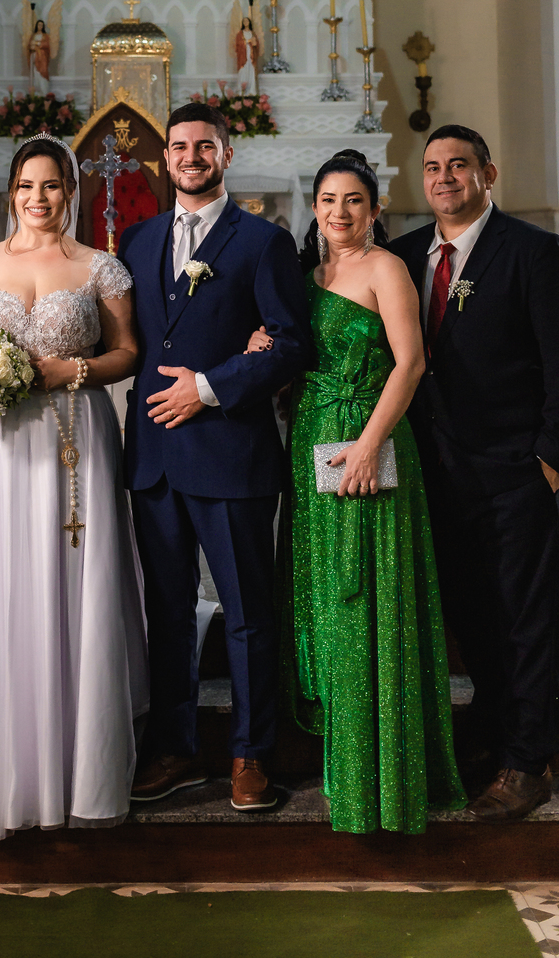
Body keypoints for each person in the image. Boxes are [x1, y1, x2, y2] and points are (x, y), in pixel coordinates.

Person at [0, 135, 147, 840]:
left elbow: (127, 352)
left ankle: (79, 761)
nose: (38, 200)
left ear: (70, 192)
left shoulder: (100, 268)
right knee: (0, 585)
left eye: (51, 186)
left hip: (72, 439)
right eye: (26, 187)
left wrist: (70, 373)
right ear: (10, 192)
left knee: (71, 585)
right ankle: (2, 758)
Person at [389, 125, 559, 823]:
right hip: (437, 476)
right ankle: (494, 735)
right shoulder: (406, 254)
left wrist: (548, 464)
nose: (444, 177)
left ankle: (529, 760)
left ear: (488, 173)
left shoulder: (534, 253)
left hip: (514, 474)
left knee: (524, 620)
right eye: (433, 167)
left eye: (459, 166)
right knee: (471, 618)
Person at [119, 103, 313, 813]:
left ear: (226, 155)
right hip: (155, 463)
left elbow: (292, 344)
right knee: (164, 614)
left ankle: (250, 755)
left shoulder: (263, 241)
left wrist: (210, 386)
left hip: (230, 456)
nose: (191, 156)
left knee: (245, 615)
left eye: (204, 146)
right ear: (163, 158)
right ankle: (174, 749)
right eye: (178, 147)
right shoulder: (135, 242)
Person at [264, 151, 465, 834]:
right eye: (327, 200)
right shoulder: (306, 274)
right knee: (329, 605)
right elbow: (294, 355)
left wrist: (371, 444)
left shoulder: (386, 269)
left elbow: (411, 362)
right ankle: (343, 765)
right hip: (311, 448)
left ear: (374, 210)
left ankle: (381, 781)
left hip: (369, 448)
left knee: (368, 605)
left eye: (354, 201)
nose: (339, 213)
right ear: (314, 207)